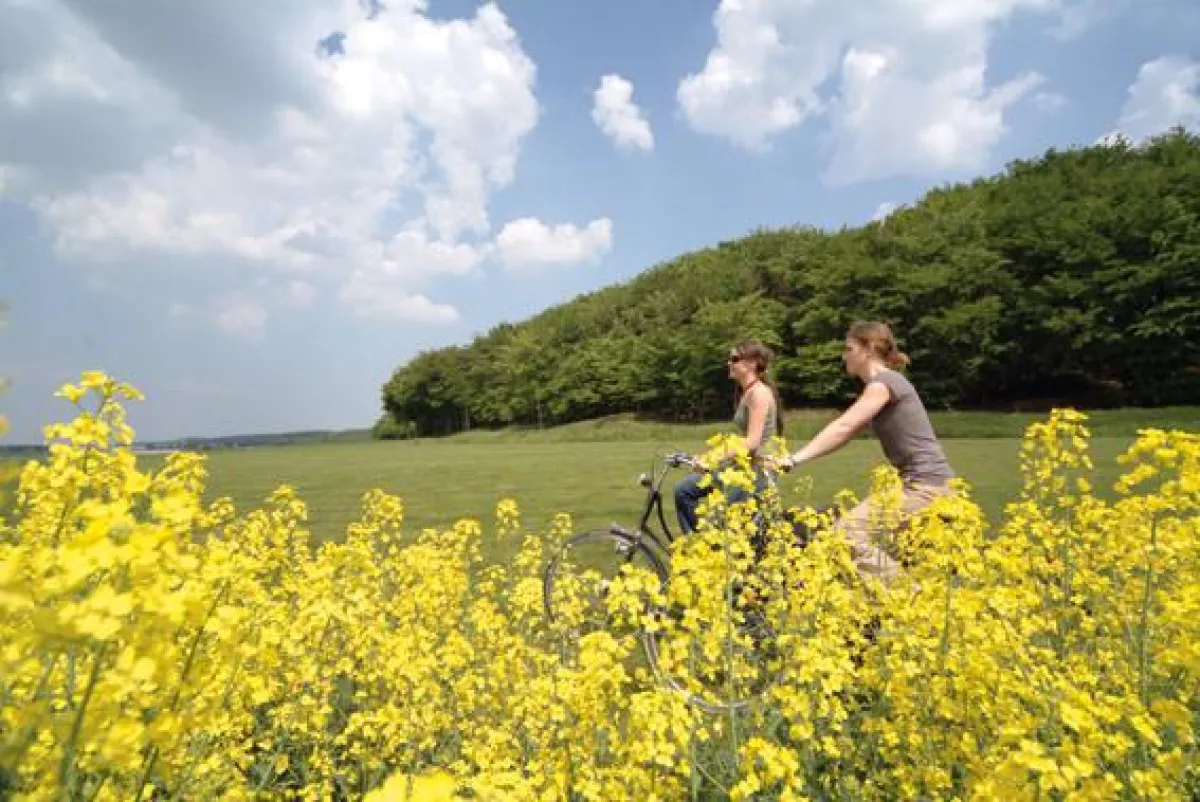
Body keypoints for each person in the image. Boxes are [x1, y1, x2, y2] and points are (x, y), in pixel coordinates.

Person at [776, 321, 955, 587]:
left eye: (849, 349)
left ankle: (911, 598)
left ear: (869, 349)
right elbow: (846, 433)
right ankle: (904, 600)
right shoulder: (885, 384)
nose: (843, 356)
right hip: (923, 483)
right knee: (910, 562)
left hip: (924, 486)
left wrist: (793, 460)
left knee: (845, 536)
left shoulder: (884, 384)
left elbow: (844, 426)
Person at [674, 339, 782, 534]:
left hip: (757, 474)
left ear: (752, 363)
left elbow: (752, 441)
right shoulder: (747, 392)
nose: (729, 363)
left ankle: (709, 546)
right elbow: (741, 440)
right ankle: (702, 544)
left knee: (723, 526)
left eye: (734, 359)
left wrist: (712, 459)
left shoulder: (759, 393)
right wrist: (710, 456)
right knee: (684, 490)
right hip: (742, 467)